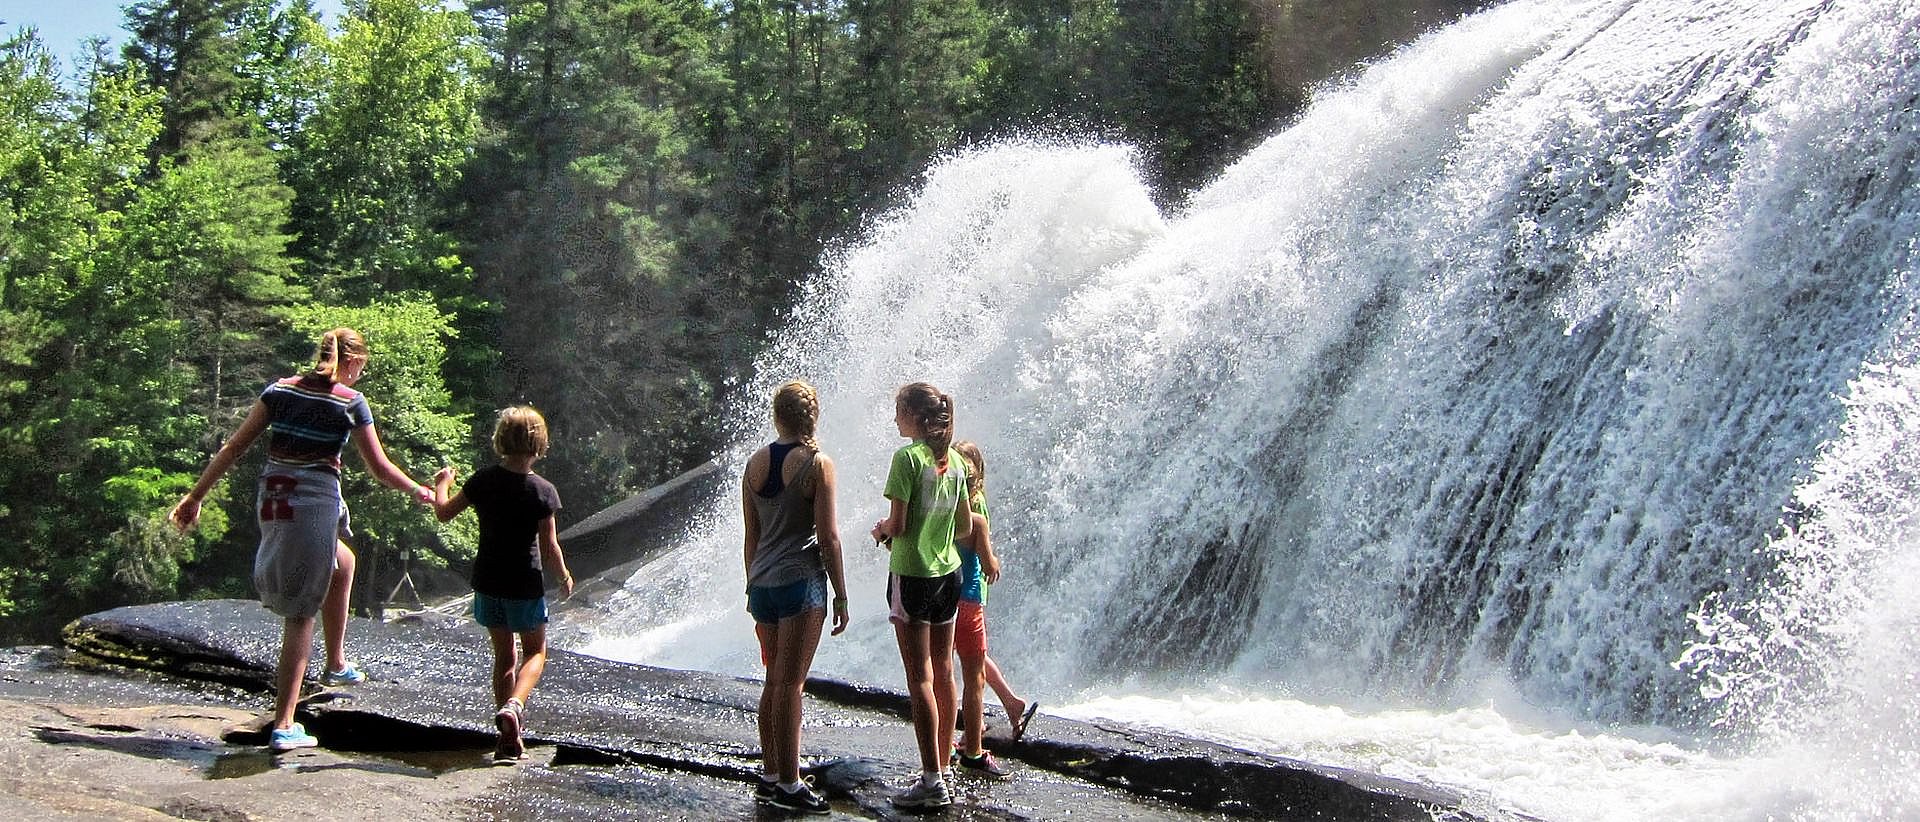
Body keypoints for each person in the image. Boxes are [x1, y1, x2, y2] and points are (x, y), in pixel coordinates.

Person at [169, 327, 436, 753]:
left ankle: (335, 664)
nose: (360, 375)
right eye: (361, 367)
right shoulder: (349, 402)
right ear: (352, 362)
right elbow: (380, 468)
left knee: (343, 561)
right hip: (310, 504)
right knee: (301, 611)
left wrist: (195, 496)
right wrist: (420, 491)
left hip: (274, 494)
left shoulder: (279, 390)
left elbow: (234, 448)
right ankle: (285, 724)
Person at [430, 405, 574, 763]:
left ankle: (508, 741)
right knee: (536, 652)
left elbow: (444, 512)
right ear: (539, 445)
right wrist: (564, 576)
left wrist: (441, 485)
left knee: (504, 656)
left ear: (500, 441)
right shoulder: (543, 491)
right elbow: (549, 545)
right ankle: (515, 705)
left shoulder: (482, 480)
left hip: (488, 580)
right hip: (524, 582)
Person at [742, 380, 849, 814]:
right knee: (791, 685)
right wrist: (841, 594)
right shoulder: (818, 464)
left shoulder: (753, 463)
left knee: (774, 683)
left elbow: (752, 536)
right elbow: (828, 537)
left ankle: (770, 775)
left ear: (777, 416)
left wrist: (751, 584)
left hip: (763, 584)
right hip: (801, 585)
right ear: (812, 416)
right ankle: (789, 783)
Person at [870, 382, 972, 809]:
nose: (894, 417)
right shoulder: (957, 462)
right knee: (945, 673)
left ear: (914, 416)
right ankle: (944, 765)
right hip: (949, 574)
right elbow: (966, 526)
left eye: (897, 409)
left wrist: (880, 531)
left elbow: (897, 523)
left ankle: (932, 782)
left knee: (921, 680)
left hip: (912, 575)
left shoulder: (907, 459)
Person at [949, 441, 1036, 779]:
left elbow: (981, 550)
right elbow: (986, 556)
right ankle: (1007, 705)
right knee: (971, 657)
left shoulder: (971, 506)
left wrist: (989, 561)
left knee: (971, 663)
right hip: (967, 590)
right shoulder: (969, 505)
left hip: (965, 590)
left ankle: (997, 712)